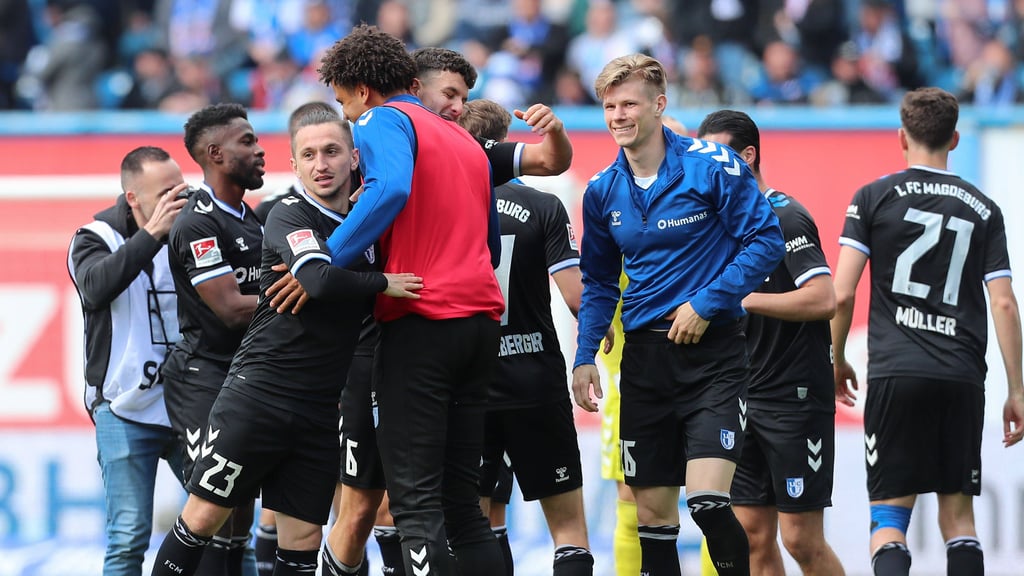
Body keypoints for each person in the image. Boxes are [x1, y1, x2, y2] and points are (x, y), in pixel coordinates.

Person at [149, 103, 422, 576]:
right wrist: (382, 282)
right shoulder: (287, 214)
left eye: (333, 151)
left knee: (301, 547)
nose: (322, 164)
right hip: (260, 397)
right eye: (309, 155)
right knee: (203, 520)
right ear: (294, 166)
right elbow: (316, 279)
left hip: (319, 411)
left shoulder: (370, 222)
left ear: (355, 158)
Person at [571, 53, 785, 576]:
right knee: (652, 522)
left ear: (659, 105)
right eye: (609, 106)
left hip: (713, 356)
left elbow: (765, 240)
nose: (619, 115)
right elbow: (599, 282)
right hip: (643, 362)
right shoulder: (601, 191)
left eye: (630, 104)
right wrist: (584, 355)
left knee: (709, 502)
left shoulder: (713, 165)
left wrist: (707, 303)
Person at [317, 24, 506, 576]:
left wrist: (327, 258)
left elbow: (391, 187)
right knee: (464, 508)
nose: (347, 116)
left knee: (415, 504)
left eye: (343, 101)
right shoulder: (464, 140)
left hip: (423, 321)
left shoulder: (384, 120)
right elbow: (489, 241)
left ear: (361, 89)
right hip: (479, 322)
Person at [831, 87, 1024, 576]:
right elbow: (1002, 300)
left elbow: (843, 293)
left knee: (889, 518)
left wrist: (835, 359)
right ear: (954, 138)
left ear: (901, 137)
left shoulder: (872, 197)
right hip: (961, 378)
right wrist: (1017, 389)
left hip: (897, 374)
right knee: (960, 519)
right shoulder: (983, 208)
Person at [697, 109, 845, 575]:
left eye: (720, 157)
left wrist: (745, 299)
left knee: (801, 539)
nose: (712, 171)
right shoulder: (713, 225)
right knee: (750, 538)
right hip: (736, 398)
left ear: (749, 155)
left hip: (793, 398)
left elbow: (824, 299)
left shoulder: (785, 215)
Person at [458, 98, 594, 576]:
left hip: (468, 384)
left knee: (477, 525)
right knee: (570, 530)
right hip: (535, 382)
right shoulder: (544, 205)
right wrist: (592, 350)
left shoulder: (446, 203)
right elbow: (578, 298)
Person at [67, 146, 189, 576]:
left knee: (226, 526)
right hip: (123, 409)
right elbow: (97, 288)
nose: (179, 200)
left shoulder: (192, 229)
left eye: (182, 187)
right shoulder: (94, 236)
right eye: (166, 193)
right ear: (133, 198)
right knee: (129, 536)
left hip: (187, 403)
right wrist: (152, 234)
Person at [159, 102, 267, 575]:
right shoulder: (197, 222)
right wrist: (312, 294)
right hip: (203, 376)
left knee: (240, 506)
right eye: (247, 141)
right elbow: (228, 309)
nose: (260, 150)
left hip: (243, 375)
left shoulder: (251, 219)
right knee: (211, 505)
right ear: (216, 154)